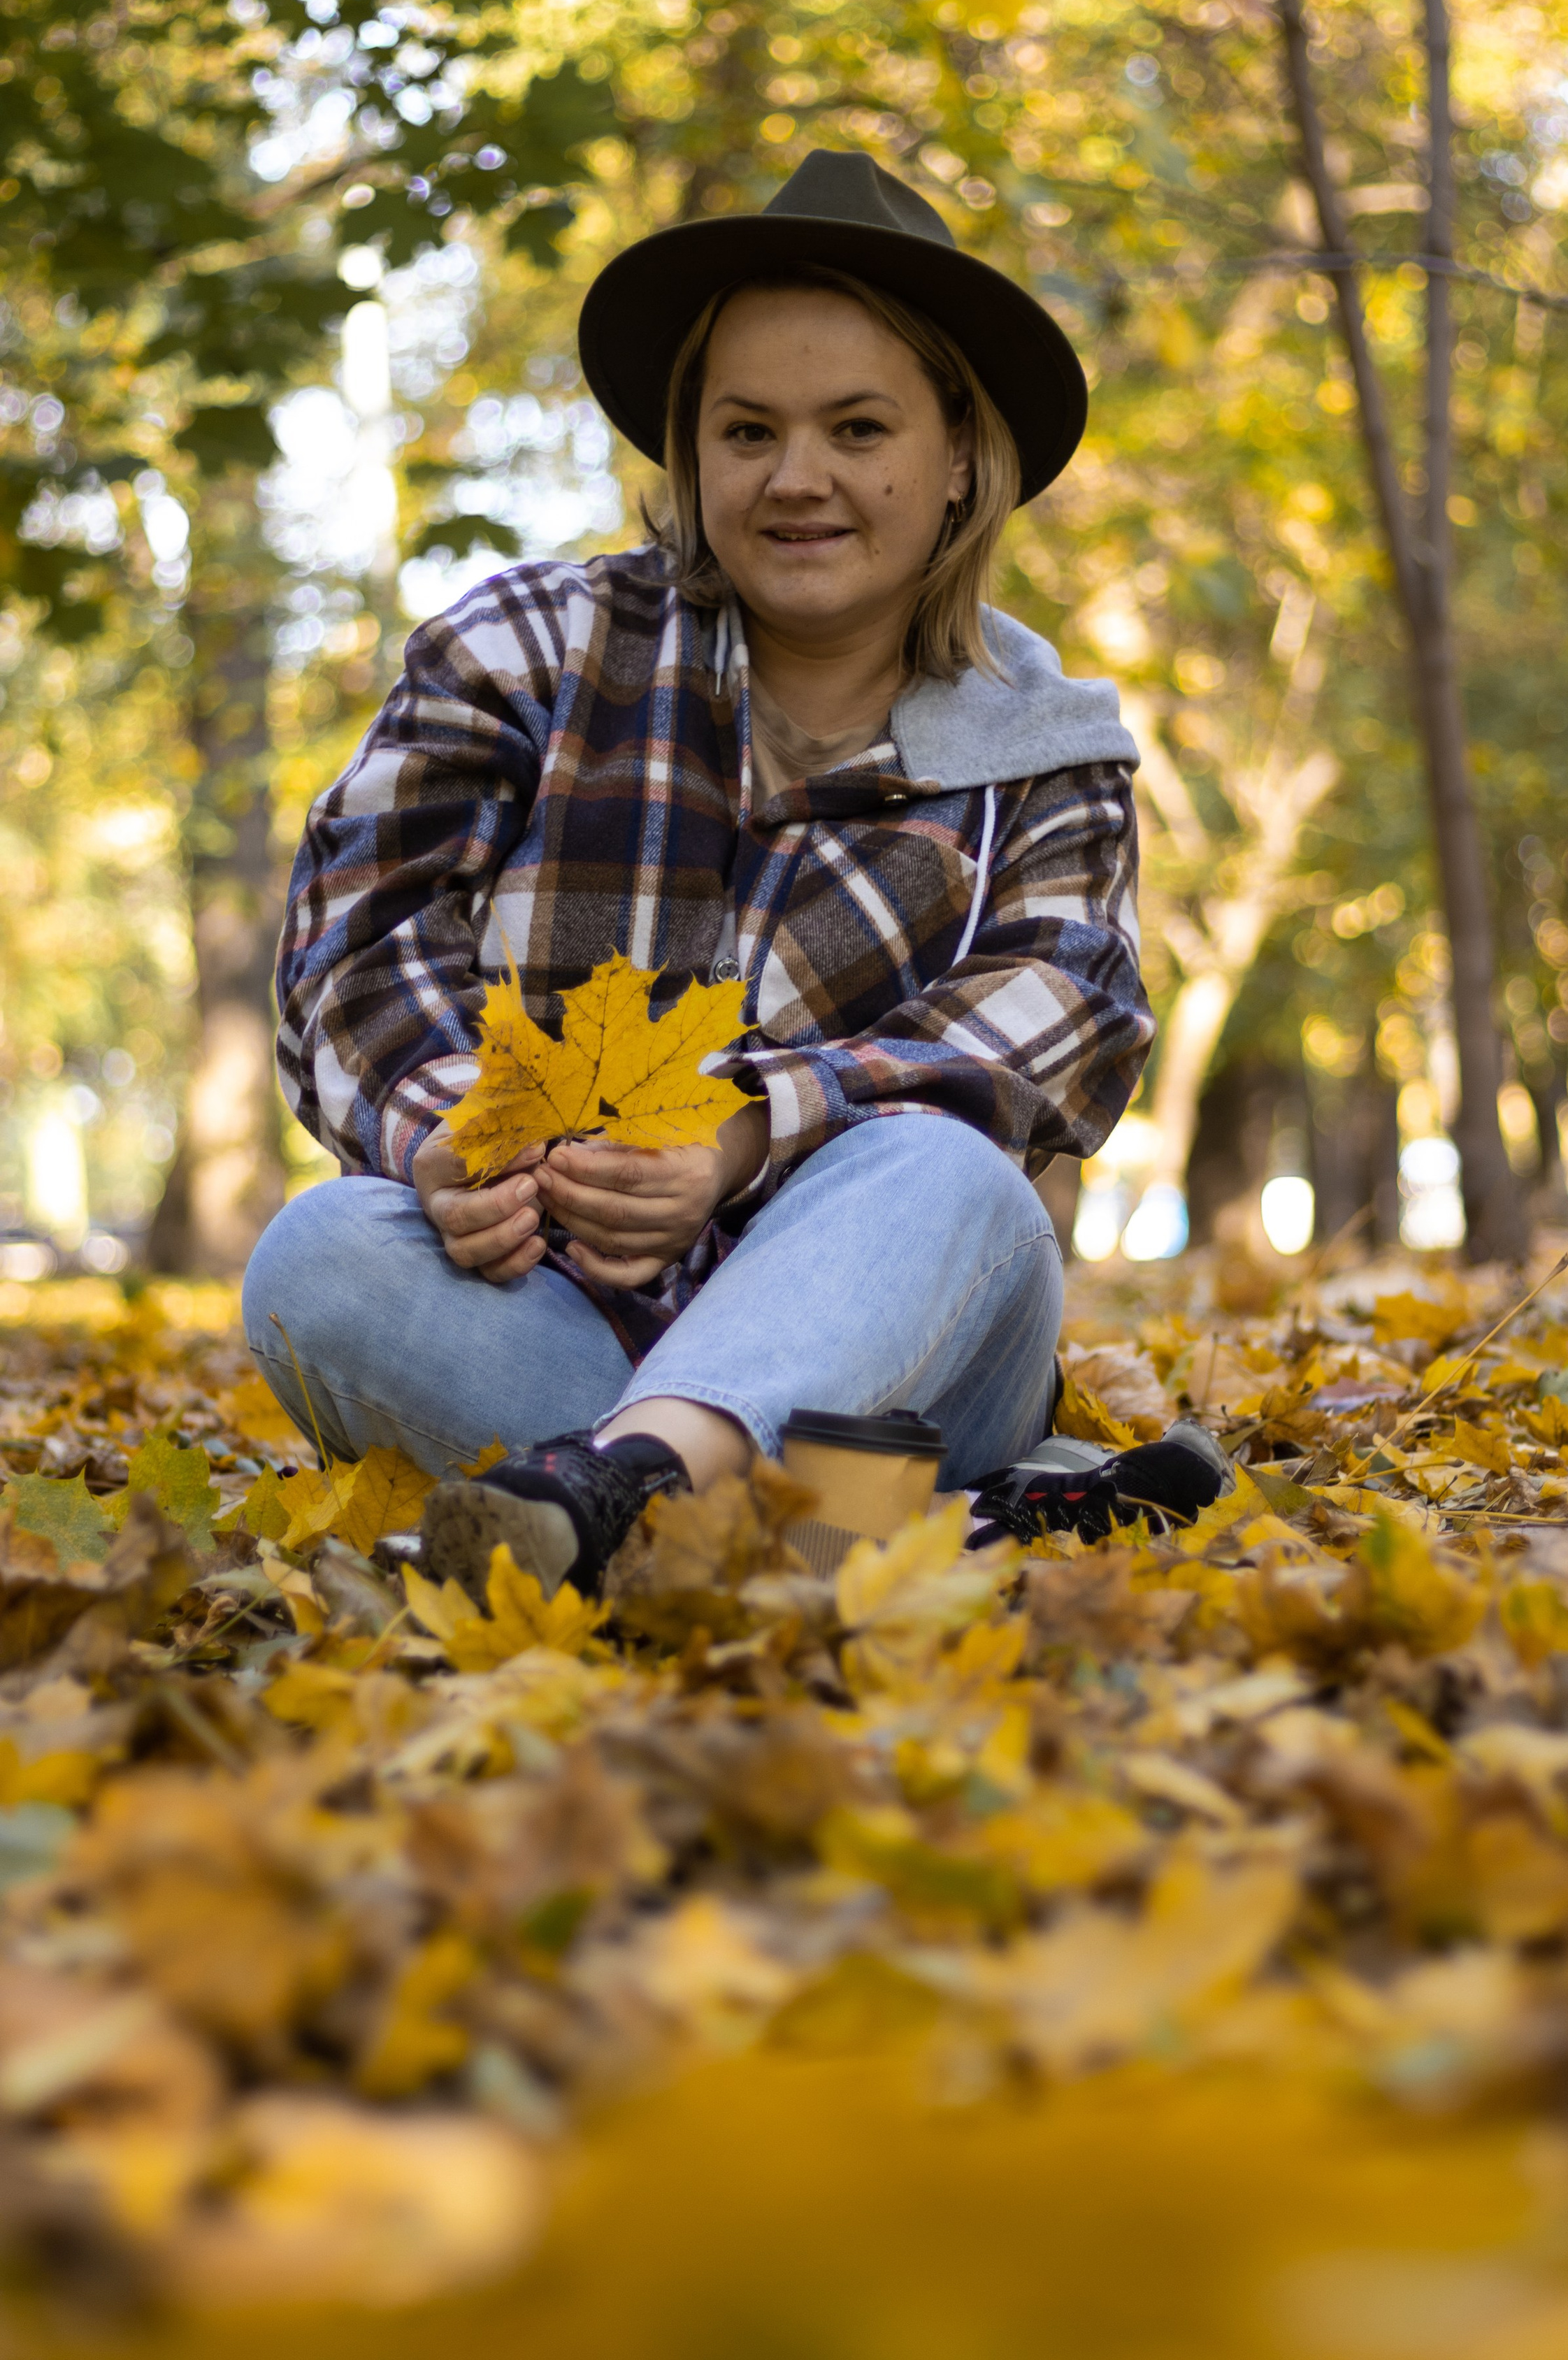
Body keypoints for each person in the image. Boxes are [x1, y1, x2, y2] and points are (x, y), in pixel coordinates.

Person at [245, 150, 1225, 1604]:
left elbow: (1051, 1032)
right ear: (691, 456)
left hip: (907, 1357)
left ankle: (634, 1491)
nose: (798, 478)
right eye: (748, 430)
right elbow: (360, 939)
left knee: (947, 1164)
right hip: (559, 1317)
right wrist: (457, 1140)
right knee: (320, 1254)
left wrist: (742, 1136)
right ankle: (864, 1535)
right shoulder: (526, 653)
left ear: (957, 454)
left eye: (857, 427)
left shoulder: (1043, 747)